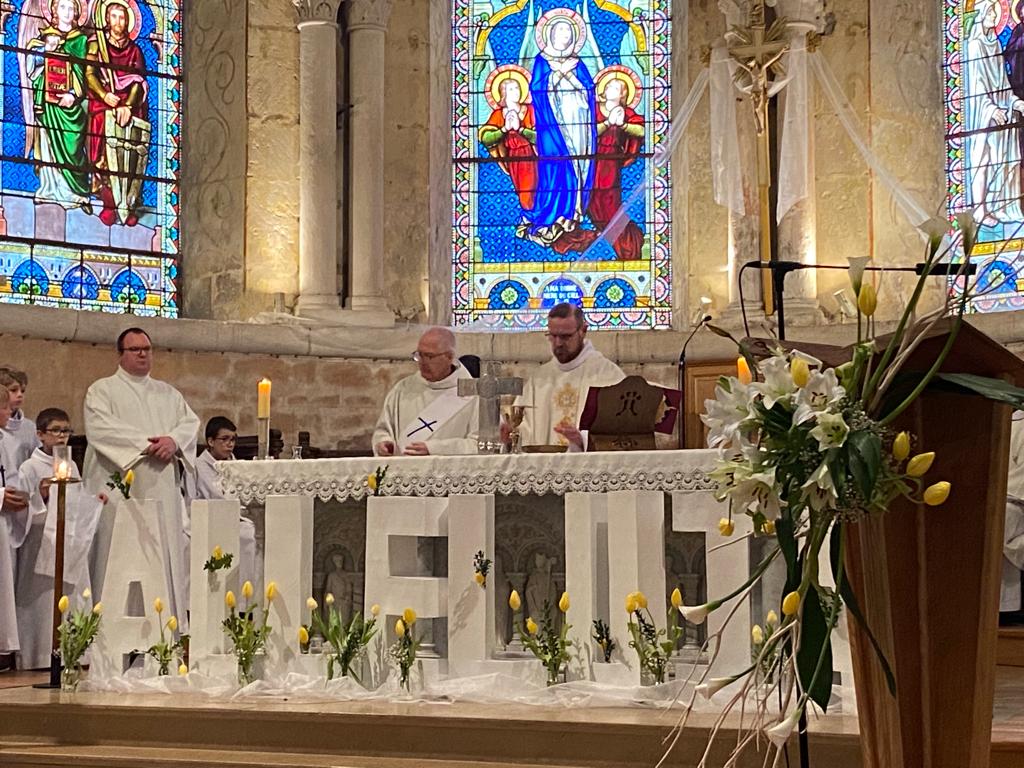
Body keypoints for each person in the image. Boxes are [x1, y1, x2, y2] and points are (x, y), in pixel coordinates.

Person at [83, 327, 199, 625]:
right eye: (135, 349)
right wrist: (146, 446)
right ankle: (107, 627)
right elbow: (101, 429)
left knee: (161, 553)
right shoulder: (102, 390)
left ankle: (164, 628)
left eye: (147, 349)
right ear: (120, 354)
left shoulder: (168, 393)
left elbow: (189, 424)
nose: (143, 354)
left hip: (160, 486)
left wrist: (173, 441)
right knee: (115, 554)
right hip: (117, 487)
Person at [15, 408, 103, 669]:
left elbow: (76, 499)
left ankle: (74, 653)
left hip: (68, 542)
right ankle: (38, 655)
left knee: (71, 598)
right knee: (42, 602)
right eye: (56, 430)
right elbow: (23, 504)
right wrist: (41, 494)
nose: (62, 436)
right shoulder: (29, 467)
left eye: (66, 431)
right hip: (38, 542)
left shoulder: (71, 464)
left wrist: (93, 501)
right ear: (40, 434)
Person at [520, 11, 598, 253]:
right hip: (552, 125)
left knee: (579, 163)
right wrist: (555, 77)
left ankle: (573, 214)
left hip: (579, 123)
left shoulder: (578, 63)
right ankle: (550, 216)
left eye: (568, 31)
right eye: (560, 31)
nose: (564, 36)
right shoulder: (542, 61)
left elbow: (589, 90)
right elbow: (537, 89)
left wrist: (571, 79)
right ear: (550, 34)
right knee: (555, 167)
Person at [517, 303, 624, 450]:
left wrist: (583, 441)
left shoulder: (608, 375)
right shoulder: (538, 379)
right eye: (553, 336)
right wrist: (511, 436)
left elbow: (621, 431)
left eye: (565, 336)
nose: (558, 343)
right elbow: (525, 432)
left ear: (583, 331)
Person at [85, 0, 149, 226]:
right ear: (106, 19)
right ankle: (109, 202)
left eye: (122, 17)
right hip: (104, 103)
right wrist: (105, 96)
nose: (118, 21)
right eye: (114, 16)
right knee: (103, 147)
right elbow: (89, 74)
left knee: (130, 150)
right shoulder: (97, 44)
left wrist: (128, 106)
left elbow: (139, 82)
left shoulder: (135, 50)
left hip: (128, 105)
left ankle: (128, 202)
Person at [24, 0, 91, 210]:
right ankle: (49, 188)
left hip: (70, 103)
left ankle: (76, 192)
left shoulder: (80, 40)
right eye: (62, 7)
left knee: (73, 141)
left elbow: (83, 72)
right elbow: (31, 68)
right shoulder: (44, 38)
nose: (67, 12)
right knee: (46, 140)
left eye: (71, 8)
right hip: (47, 101)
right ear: (53, 10)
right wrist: (46, 49)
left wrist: (73, 94)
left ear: (77, 13)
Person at [372, 327, 478, 456]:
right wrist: (384, 443)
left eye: (429, 356)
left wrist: (434, 448)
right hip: (402, 466)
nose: (423, 362)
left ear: (449, 357)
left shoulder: (472, 394)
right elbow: (383, 430)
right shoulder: (403, 389)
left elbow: (478, 444)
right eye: (419, 355)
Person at [966, 0, 1024, 225]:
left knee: (1006, 158)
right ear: (980, 15)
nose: (994, 15)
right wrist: (991, 109)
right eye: (990, 12)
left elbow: (1003, 85)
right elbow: (976, 87)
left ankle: (1004, 207)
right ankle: (979, 209)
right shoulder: (974, 46)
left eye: (995, 11)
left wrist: (1016, 103)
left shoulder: (996, 44)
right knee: (983, 159)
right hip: (982, 113)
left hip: (1002, 112)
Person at [186, 416, 256, 589]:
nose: (230, 444)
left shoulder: (237, 466)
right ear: (210, 441)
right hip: (210, 520)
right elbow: (190, 501)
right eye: (224, 439)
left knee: (253, 534)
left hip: (238, 518)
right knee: (245, 536)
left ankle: (246, 595)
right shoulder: (196, 466)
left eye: (233, 439)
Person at [588, 70, 645, 261]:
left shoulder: (627, 113)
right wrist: (607, 123)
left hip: (610, 164)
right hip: (589, 163)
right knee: (592, 205)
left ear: (623, 94)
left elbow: (642, 130)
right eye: (609, 85)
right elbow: (584, 132)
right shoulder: (592, 110)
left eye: (617, 87)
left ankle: (629, 245)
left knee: (609, 205)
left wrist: (623, 125)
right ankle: (624, 245)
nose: (612, 88)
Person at [0, 387, 30, 668]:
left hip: (4, 523)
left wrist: (25, 496)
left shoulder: (4, 442)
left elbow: (11, 477)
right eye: (4, 408)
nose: (9, 413)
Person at [479, 68, 537, 211]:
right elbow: (486, 138)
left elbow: (542, 137)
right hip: (512, 158)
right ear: (503, 93)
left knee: (530, 190)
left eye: (517, 88)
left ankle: (532, 217)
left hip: (531, 156)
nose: (516, 91)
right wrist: (504, 129)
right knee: (521, 190)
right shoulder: (498, 115)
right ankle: (528, 217)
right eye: (511, 89)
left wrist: (521, 129)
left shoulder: (531, 110)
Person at [0, 369, 40, 469]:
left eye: (22, 391)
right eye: (13, 390)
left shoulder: (29, 427)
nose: (20, 395)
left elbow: (36, 461)